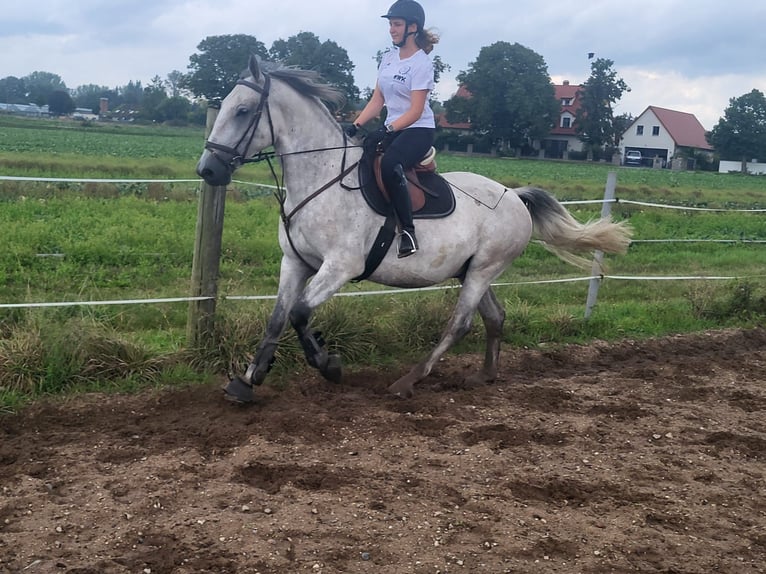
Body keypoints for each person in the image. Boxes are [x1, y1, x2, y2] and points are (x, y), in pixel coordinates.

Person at [346, 0, 439, 258]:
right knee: (361, 155)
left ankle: (407, 230)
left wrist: (387, 130)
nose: (391, 29)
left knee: (390, 164)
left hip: (418, 129)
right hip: (394, 127)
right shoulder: (388, 58)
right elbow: (378, 100)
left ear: (412, 28)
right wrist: (355, 126)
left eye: (396, 24)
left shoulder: (422, 64)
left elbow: (416, 110)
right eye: (390, 24)